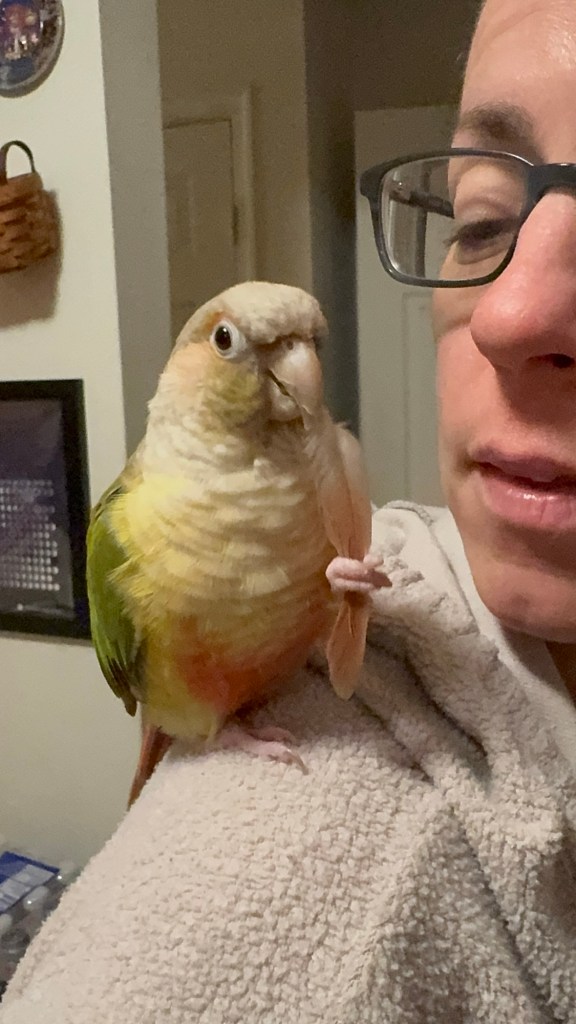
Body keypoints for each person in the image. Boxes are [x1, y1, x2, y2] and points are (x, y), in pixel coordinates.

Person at [2, 0, 576, 1019]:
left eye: (302, 345)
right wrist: (209, 738)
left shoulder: (336, 479)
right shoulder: (129, 526)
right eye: (482, 221)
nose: (514, 314)